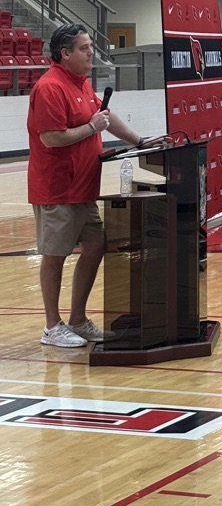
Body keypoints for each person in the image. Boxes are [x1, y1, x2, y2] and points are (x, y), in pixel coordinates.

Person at [27, 23, 165, 349]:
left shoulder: (81, 83)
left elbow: (104, 116)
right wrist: (91, 128)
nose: (91, 52)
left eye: (90, 46)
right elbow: (51, 137)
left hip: (83, 187)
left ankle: (77, 319)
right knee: (55, 255)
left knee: (95, 245)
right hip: (57, 189)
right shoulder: (50, 88)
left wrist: (141, 140)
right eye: (85, 47)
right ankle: (52, 326)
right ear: (66, 53)